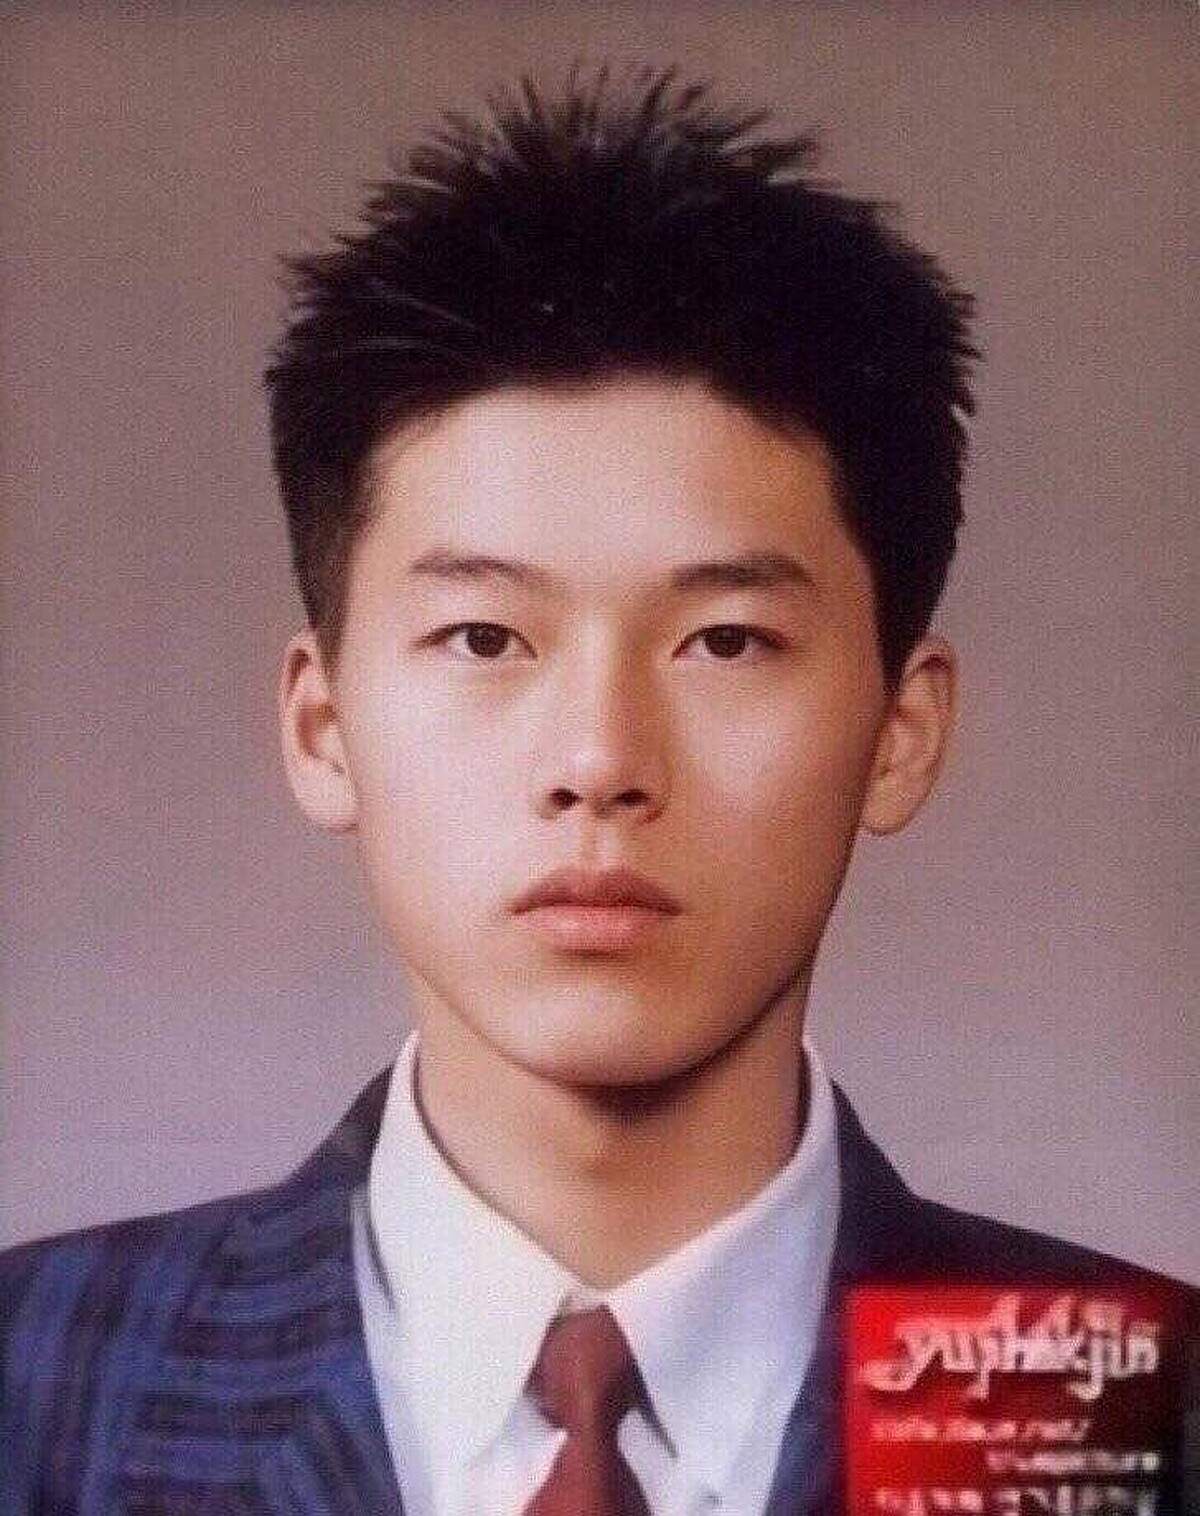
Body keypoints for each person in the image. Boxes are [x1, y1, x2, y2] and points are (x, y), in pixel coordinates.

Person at [2, 65, 1195, 1516]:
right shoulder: (32, 1389)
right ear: (323, 726)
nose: (599, 762)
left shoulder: (1143, 1420)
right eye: (485, 638)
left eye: (725, 641)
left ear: (901, 728)